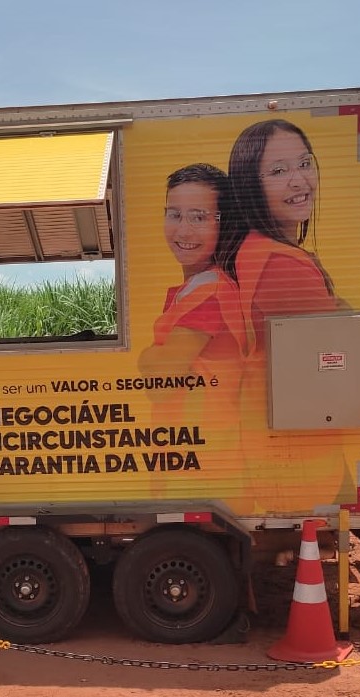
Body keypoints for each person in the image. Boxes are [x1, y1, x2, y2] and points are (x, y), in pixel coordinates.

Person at [227, 119, 359, 513]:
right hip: (302, 458)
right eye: (278, 171)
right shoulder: (283, 264)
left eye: (304, 163)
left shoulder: (254, 249)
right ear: (251, 186)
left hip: (278, 448)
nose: (299, 180)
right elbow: (330, 359)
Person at [137, 164, 250, 508]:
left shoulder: (209, 294)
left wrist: (147, 357)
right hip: (191, 462)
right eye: (174, 214)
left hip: (202, 472)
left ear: (224, 223)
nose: (183, 229)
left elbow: (159, 380)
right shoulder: (196, 289)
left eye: (199, 217)